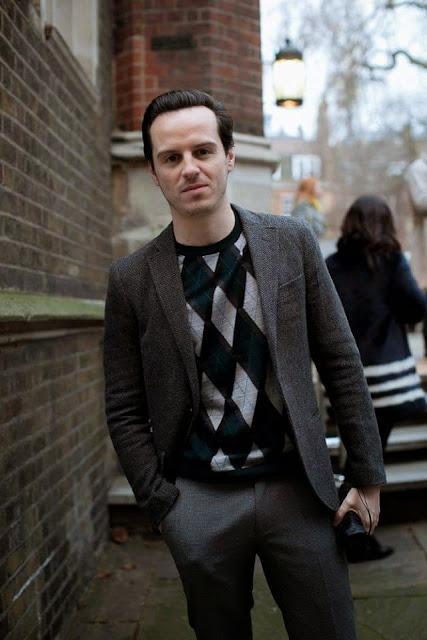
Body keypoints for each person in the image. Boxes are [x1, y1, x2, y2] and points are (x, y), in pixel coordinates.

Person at [104, 90, 386, 640]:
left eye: (203, 151)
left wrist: (367, 475)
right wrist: (162, 505)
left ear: (229, 155)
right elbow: (123, 404)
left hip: (299, 489)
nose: (190, 168)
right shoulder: (132, 279)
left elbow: (340, 359)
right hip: (198, 499)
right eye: (171, 157)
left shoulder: (290, 242)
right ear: (155, 172)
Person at [327, 194, 426, 562]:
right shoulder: (391, 261)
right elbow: (416, 307)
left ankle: (353, 532)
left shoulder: (331, 266)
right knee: (367, 459)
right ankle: (356, 535)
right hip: (388, 382)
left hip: (346, 381)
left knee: (358, 456)